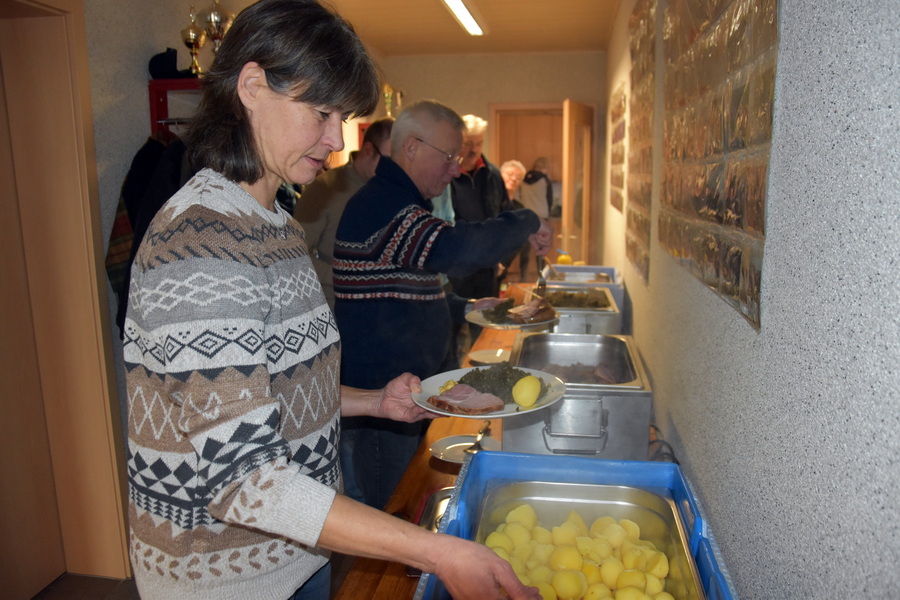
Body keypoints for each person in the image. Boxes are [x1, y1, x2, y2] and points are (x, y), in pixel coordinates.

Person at [121, 3, 539, 600]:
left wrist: (374, 402)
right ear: (252, 86)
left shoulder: (276, 225)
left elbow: (264, 386)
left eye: (342, 117)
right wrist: (438, 550)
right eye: (321, 112)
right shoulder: (200, 244)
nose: (337, 138)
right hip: (226, 576)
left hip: (298, 551)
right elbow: (244, 480)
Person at [332, 100, 552, 511]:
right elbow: (455, 251)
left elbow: (403, 294)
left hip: (410, 392)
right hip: (382, 400)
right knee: (392, 509)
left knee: (414, 495)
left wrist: (464, 306)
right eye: (449, 157)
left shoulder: (404, 204)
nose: (456, 170)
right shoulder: (383, 205)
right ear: (412, 147)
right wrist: (526, 220)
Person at [295, 117, 393, 309]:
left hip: (384, 309)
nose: (392, 171)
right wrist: (343, 275)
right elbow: (297, 255)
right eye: (389, 161)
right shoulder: (325, 189)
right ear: (368, 150)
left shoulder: (391, 191)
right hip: (339, 308)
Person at [498, 159, 530, 282]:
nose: (514, 179)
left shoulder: (519, 208)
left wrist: (503, 263)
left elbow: (518, 240)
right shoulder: (490, 202)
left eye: (518, 177)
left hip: (503, 265)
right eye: (510, 174)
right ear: (500, 176)